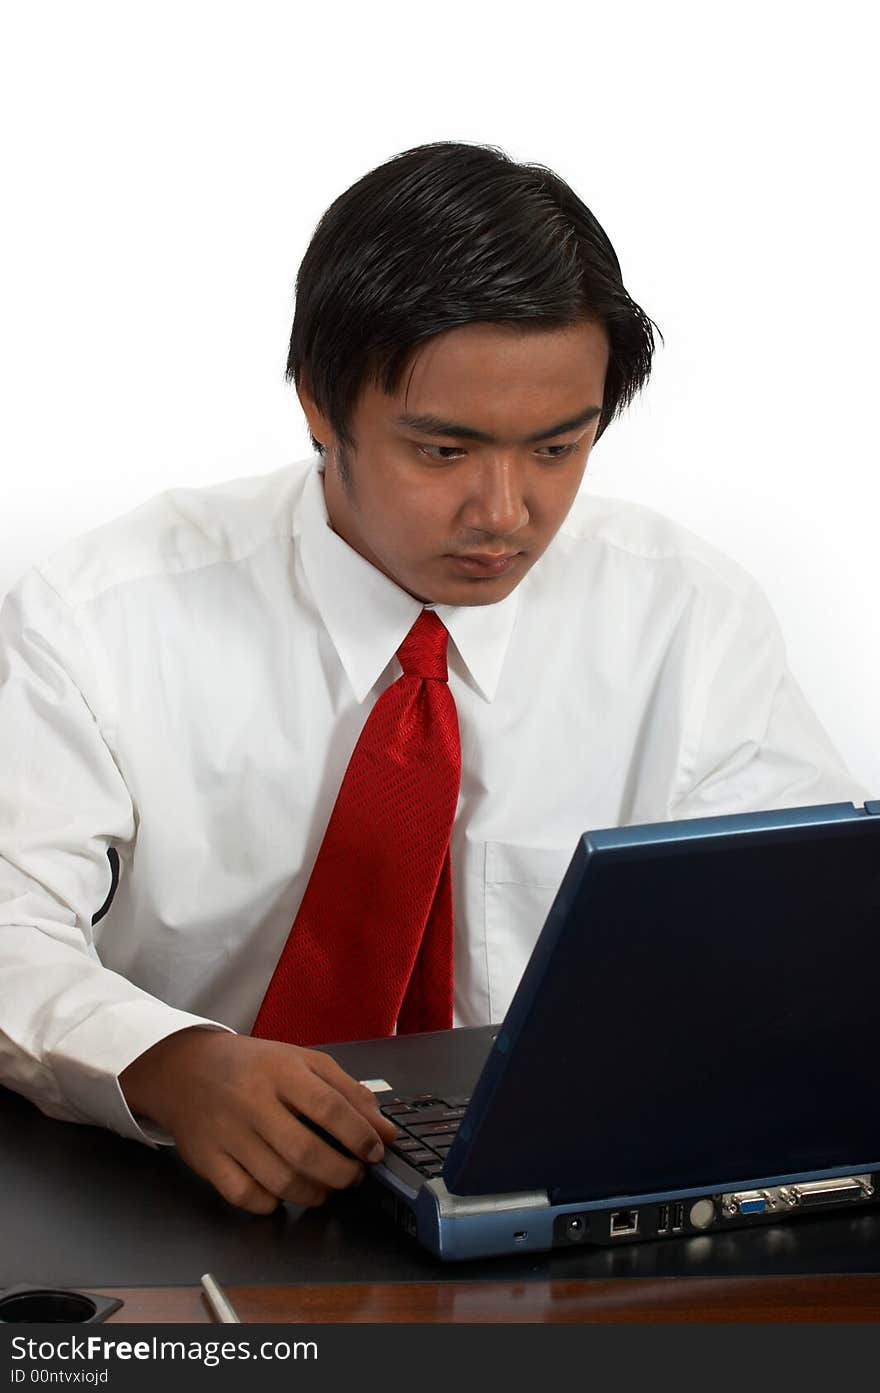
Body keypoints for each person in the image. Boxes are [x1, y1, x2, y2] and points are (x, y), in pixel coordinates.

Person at [0, 140, 865, 1217]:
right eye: (444, 452)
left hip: (556, 1193)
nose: (504, 512)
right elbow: (9, 921)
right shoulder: (100, 613)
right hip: (175, 1188)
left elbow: (798, 933)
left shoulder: (685, 612)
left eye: (558, 448)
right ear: (319, 405)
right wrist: (163, 1060)